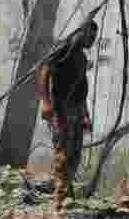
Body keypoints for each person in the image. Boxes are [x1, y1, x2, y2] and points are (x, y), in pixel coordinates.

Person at [36, 21, 99, 207]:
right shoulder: (63, 48)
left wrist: (85, 114)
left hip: (77, 109)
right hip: (61, 108)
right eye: (90, 37)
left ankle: (66, 192)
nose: (92, 41)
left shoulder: (81, 57)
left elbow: (82, 87)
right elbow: (44, 71)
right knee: (62, 152)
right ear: (81, 32)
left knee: (75, 153)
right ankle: (58, 198)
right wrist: (45, 102)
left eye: (94, 38)